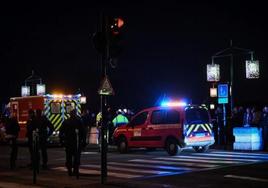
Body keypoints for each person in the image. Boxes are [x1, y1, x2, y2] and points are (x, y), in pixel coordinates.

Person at [59, 109, 85, 177]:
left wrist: (61, 141)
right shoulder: (79, 121)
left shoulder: (66, 121)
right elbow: (83, 132)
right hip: (76, 142)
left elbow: (61, 131)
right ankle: (75, 170)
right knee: (76, 157)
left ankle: (70, 170)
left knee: (69, 157)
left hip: (69, 142)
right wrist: (83, 141)